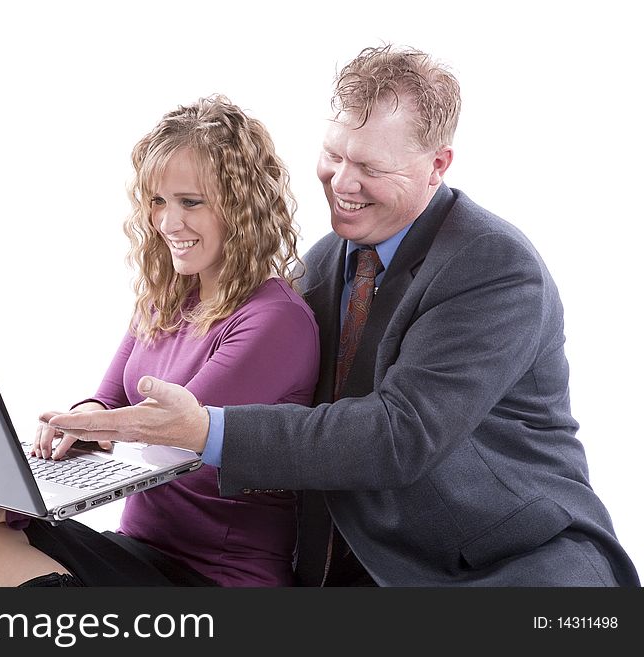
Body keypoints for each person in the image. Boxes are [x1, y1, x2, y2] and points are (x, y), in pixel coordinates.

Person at [48, 44, 641, 587]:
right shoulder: (325, 263)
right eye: (334, 154)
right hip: (362, 571)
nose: (343, 183)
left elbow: (398, 434)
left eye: (372, 169)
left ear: (439, 164)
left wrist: (206, 429)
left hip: (508, 567)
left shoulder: (492, 266)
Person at [0, 94, 320, 587]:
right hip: (143, 552)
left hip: (216, 578)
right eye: (158, 201)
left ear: (242, 206)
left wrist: (16, 502)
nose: (169, 223)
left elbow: (171, 435)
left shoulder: (275, 319)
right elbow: (109, 402)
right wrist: (84, 418)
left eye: (190, 202)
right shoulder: (165, 299)